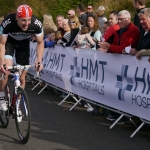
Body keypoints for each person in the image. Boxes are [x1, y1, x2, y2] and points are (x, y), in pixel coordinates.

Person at [0, 4, 44, 111]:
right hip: (9, 42)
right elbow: (1, 44)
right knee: (6, 69)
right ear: (17, 18)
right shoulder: (8, 22)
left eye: (29, 20)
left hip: (23, 45)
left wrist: (39, 61)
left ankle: (17, 104)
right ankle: (1, 95)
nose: (26, 24)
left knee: (22, 77)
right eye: (23, 20)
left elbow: (40, 42)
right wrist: (2, 63)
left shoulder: (36, 24)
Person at [99, 10, 140, 121]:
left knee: (125, 89)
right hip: (118, 63)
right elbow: (118, 46)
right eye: (118, 19)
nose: (119, 21)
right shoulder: (119, 30)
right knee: (115, 87)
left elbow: (125, 48)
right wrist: (107, 49)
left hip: (128, 65)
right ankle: (116, 112)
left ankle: (125, 115)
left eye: (121, 19)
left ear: (128, 19)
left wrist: (109, 47)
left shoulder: (133, 30)